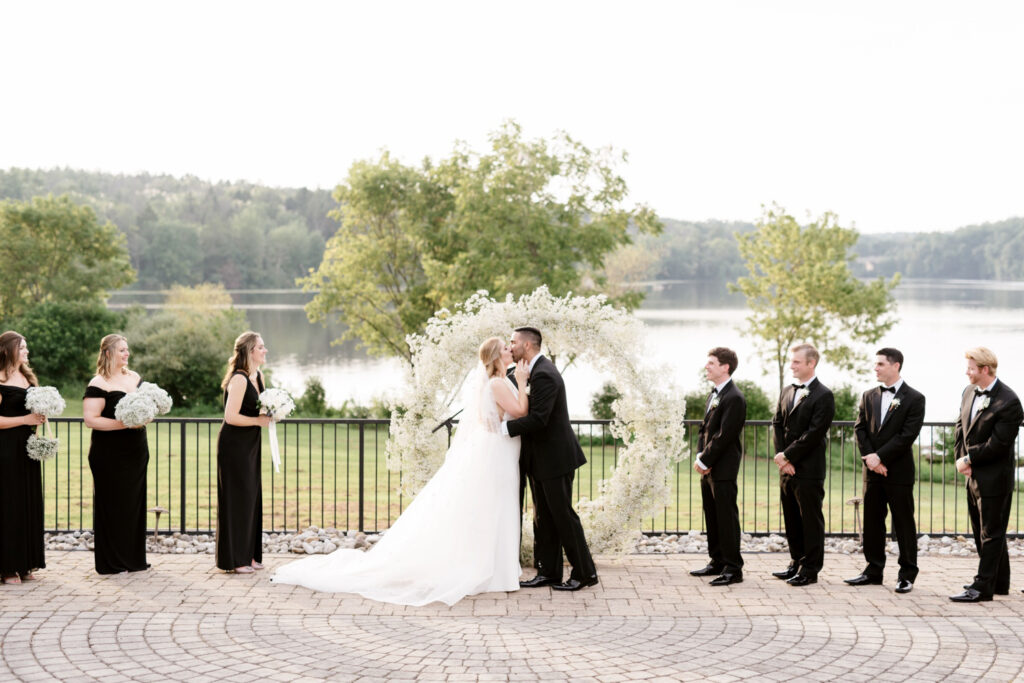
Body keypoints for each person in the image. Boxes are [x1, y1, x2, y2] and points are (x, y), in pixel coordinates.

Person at [273, 337, 527, 605]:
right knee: (496, 507)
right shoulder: (498, 383)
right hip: (495, 453)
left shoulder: (494, 381)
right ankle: (495, 572)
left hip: (495, 451)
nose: (510, 350)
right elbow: (520, 410)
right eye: (505, 349)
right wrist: (522, 383)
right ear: (496, 357)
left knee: (494, 507)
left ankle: (498, 570)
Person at [506, 326, 598, 592]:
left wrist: (502, 430)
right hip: (539, 459)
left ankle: (585, 573)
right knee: (543, 518)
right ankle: (548, 572)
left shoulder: (545, 373)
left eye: (513, 342)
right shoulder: (529, 372)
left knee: (563, 516)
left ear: (527, 345)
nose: (510, 346)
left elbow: (538, 419)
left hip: (555, 459)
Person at [847, 348, 925, 594]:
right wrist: (871, 459)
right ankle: (873, 570)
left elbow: (906, 436)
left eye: (880, 364)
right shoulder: (868, 395)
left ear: (896, 366)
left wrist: (880, 457)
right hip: (871, 471)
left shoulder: (915, 398)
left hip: (898, 471)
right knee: (872, 522)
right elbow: (860, 428)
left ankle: (907, 575)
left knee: (903, 523)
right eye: (876, 364)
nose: (876, 368)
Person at [949, 347, 1023, 603]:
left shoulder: (1009, 401)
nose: (966, 372)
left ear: (985, 369)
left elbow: (1000, 443)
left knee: (991, 532)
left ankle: (982, 587)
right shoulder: (968, 391)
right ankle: (999, 582)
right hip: (972, 474)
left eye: (970, 368)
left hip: (995, 477)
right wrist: (961, 459)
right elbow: (960, 427)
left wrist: (971, 459)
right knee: (984, 530)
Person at [83, 334, 152, 574]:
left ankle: (133, 559)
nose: (127, 353)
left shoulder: (134, 378)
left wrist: (146, 416)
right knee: (112, 504)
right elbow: (91, 419)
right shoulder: (99, 383)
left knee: (133, 504)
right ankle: (111, 562)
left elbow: (148, 407)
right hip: (108, 454)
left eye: (128, 349)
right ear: (109, 353)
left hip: (136, 451)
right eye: (122, 350)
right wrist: (124, 424)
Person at [771, 343, 835, 586]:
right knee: (791, 517)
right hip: (786, 467)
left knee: (810, 519)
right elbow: (777, 423)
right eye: (792, 361)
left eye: (797, 362)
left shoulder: (824, 395)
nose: (792, 366)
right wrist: (781, 456)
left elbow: (814, 433)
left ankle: (810, 569)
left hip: (808, 469)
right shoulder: (787, 390)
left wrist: (789, 456)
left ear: (811, 364)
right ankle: (795, 561)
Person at [689, 347, 747, 586]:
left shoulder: (735, 397)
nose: (706, 366)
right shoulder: (714, 394)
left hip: (723, 468)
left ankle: (734, 568)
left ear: (725, 367)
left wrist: (705, 461)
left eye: (711, 363)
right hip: (709, 466)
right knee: (712, 516)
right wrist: (700, 455)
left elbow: (724, 436)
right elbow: (705, 430)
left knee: (726, 518)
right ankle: (717, 561)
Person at [216, 331, 272, 574]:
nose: (265, 350)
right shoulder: (239, 379)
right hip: (234, 445)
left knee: (251, 497)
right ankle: (235, 559)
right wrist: (258, 421)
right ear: (250, 351)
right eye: (261, 347)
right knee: (237, 498)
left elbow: (262, 407)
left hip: (250, 444)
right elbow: (231, 417)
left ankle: (249, 555)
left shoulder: (257, 375)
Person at [0, 331, 46, 584]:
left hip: (26, 448)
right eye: (23, 347)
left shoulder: (27, 377)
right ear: (7, 350)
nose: (27, 351)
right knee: (9, 504)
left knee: (27, 501)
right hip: (5, 448)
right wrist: (25, 419)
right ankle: (7, 567)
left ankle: (26, 563)